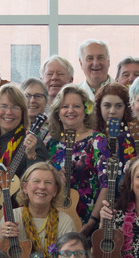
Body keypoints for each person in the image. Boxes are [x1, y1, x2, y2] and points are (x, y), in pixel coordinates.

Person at [0, 162, 73, 258]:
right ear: (25, 187)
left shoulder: (65, 221)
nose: (42, 186)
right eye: (36, 181)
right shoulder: (12, 217)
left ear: (55, 190)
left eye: (48, 183)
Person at [46, 85, 110, 228]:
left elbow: (107, 184)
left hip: (89, 219)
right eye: (65, 106)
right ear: (58, 112)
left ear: (85, 111)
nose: (70, 111)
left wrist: (92, 221)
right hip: (56, 220)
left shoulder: (97, 140)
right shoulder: (52, 144)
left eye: (76, 106)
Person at [0, 84, 49, 202]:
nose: (8, 112)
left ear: (23, 112)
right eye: (3, 106)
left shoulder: (33, 143)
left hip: (20, 211)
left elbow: (40, 184)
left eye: (15, 107)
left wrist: (31, 155)